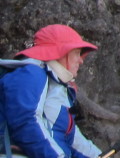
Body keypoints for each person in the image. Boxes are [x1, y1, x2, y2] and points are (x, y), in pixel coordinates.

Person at [0, 24, 104, 158]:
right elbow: (26, 121)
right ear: (61, 53)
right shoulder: (31, 73)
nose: (81, 61)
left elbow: (73, 141)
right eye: (77, 53)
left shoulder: (58, 88)